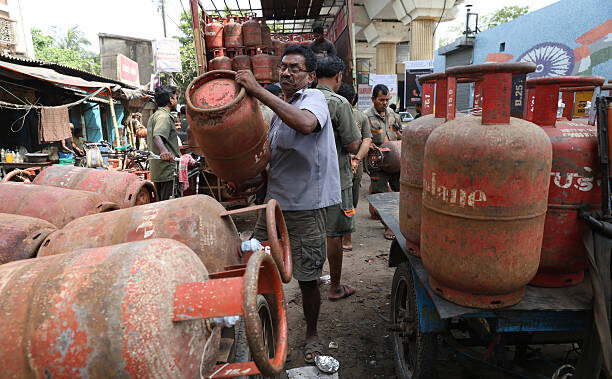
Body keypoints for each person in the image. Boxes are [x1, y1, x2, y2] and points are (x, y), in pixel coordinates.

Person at [236, 44, 339, 364]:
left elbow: (306, 125)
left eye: (295, 68)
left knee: (308, 277)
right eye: (283, 67)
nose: (286, 73)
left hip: (305, 206)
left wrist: (257, 90)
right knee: (252, 263)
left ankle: (312, 335)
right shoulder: (283, 107)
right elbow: (276, 158)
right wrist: (259, 179)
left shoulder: (314, 100)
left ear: (310, 76)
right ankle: (268, 327)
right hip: (272, 205)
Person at [315, 56, 361, 302]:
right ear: (338, 77)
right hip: (335, 177)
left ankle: (313, 279)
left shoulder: (303, 99)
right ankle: (334, 286)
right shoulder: (339, 103)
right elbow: (353, 143)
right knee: (333, 232)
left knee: (313, 230)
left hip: (308, 177)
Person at [336, 83, 372, 251]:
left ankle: (345, 235)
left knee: (351, 201)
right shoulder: (330, 112)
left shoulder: (360, 117)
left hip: (353, 166)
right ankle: (344, 238)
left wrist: (357, 159)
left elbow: (367, 140)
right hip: (337, 165)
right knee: (342, 201)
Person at [365, 84, 402, 239]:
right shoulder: (366, 117)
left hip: (395, 161)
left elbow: (399, 132)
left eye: (387, 100)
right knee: (382, 194)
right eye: (382, 100)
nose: (385, 103)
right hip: (377, 163)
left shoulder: (393, 115)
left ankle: (399, 223)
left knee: (400, 192)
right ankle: (389, 227)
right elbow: (362, 139)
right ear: (373, 99)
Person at [147, 85, 181, 201]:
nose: (176, 100)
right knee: (169, 207)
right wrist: (164, 151)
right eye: (176, 97)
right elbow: (157, 136)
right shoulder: (164, 116)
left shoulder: (155, 115)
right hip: (167, 170)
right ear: (171, 100)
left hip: (159, 170)